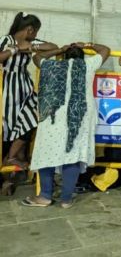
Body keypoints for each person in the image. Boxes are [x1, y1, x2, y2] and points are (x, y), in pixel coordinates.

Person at [22, 42, 110, 208]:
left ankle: (45, 196)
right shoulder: (88, 64)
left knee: (46, 152)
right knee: (73, 154)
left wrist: (59, 50)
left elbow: (37, 57)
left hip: (53, 116)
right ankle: (66, 200)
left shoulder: (52, 65)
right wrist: (88, 44)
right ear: (82, 55)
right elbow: (105, 50)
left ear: (64, 56)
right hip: (79, 117)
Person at [1, 12, 58, 179]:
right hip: (6, 87)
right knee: (6, 126)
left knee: (30, 120)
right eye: (36, 32)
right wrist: (17, 49)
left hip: (25, 87)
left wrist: (32, 47)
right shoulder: (6, 41)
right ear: (30, 29)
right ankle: (7, 172)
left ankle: (11, 162)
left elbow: (53, 46)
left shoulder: (31, 42)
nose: (36, 36)